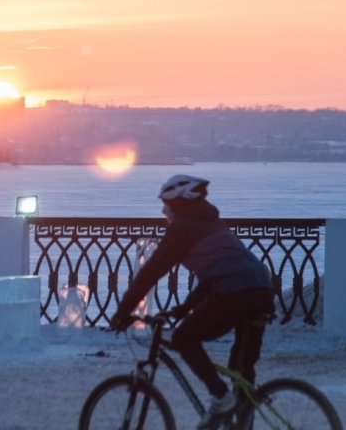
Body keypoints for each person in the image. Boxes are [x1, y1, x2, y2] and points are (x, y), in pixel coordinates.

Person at [109, 175, 275, 428]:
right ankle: (242, 420)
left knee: (183, 338)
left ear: (178, 203)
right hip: (261, 289)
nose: (164, 211)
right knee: (241, 368)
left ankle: (220, 398)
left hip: (236, 293)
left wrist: (122, 313)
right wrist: (184, 308)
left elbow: (150, 273)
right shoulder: (214, 224)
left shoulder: (182, 229)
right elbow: (219, 274)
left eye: (166, 204)